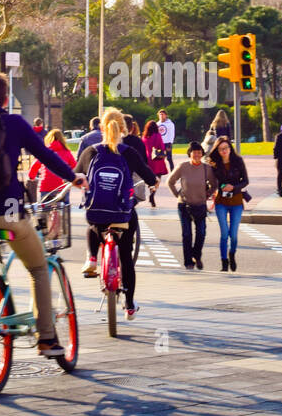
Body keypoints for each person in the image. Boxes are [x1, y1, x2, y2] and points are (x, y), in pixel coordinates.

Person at [0, 70, 84, 357]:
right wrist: (73, 178)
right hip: (7, 214)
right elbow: (46, 156)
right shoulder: (13, 122)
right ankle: (46, 338)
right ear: (6, 99)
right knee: (37, 268)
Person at [76, 108, 157, 319]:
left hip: (98, 212)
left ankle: (92, 258)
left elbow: (77, 174)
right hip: (122, 213)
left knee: (93, 223)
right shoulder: (129, 152)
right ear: (124, 129)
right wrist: (154, 183)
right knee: (126, 258)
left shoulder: (91, 152)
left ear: (101, 128)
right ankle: (129, 305)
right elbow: (148, 175)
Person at [168, 141, 216, 270]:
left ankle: (197, 255)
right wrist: (177, 195)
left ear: (202, 154)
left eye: (199, 153)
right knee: (187, 234)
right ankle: (188, 261)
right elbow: (170, 181)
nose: (197, 155)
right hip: (184, 205)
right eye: (194, 153)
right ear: (190, 154)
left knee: (201, 233)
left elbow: (214, 184)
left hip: (200, 205)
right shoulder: (183, 167)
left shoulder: (207, 169)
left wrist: (208, 194)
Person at [207, 136, 248, 272]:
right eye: (220, 149)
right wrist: (220, 187)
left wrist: (234, 187)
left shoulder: (238, 161)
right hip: (221, 202)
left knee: (234, 234)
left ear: (230, 148)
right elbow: (212, 183)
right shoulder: (215, 164)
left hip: (236, 201)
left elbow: (245, 181)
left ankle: (232, 254)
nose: (223, 151)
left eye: (225, 148)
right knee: (224, 233)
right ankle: (224, 262)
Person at [28, 128, 76, 195]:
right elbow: (75, 166)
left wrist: (31, 176)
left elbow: (35, 166)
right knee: (65, 204)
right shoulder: (67, 152)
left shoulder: (44, 151)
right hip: (62, 187)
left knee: (45, 204)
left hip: (46, 186)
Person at [142, 119, 169, 206]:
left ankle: (151, 190)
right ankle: (152, 194)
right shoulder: (157, 135)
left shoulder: (144, 137)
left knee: (150, 179)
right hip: (157, 160)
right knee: (158, 179)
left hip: (148, 159)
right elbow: (161, 146)